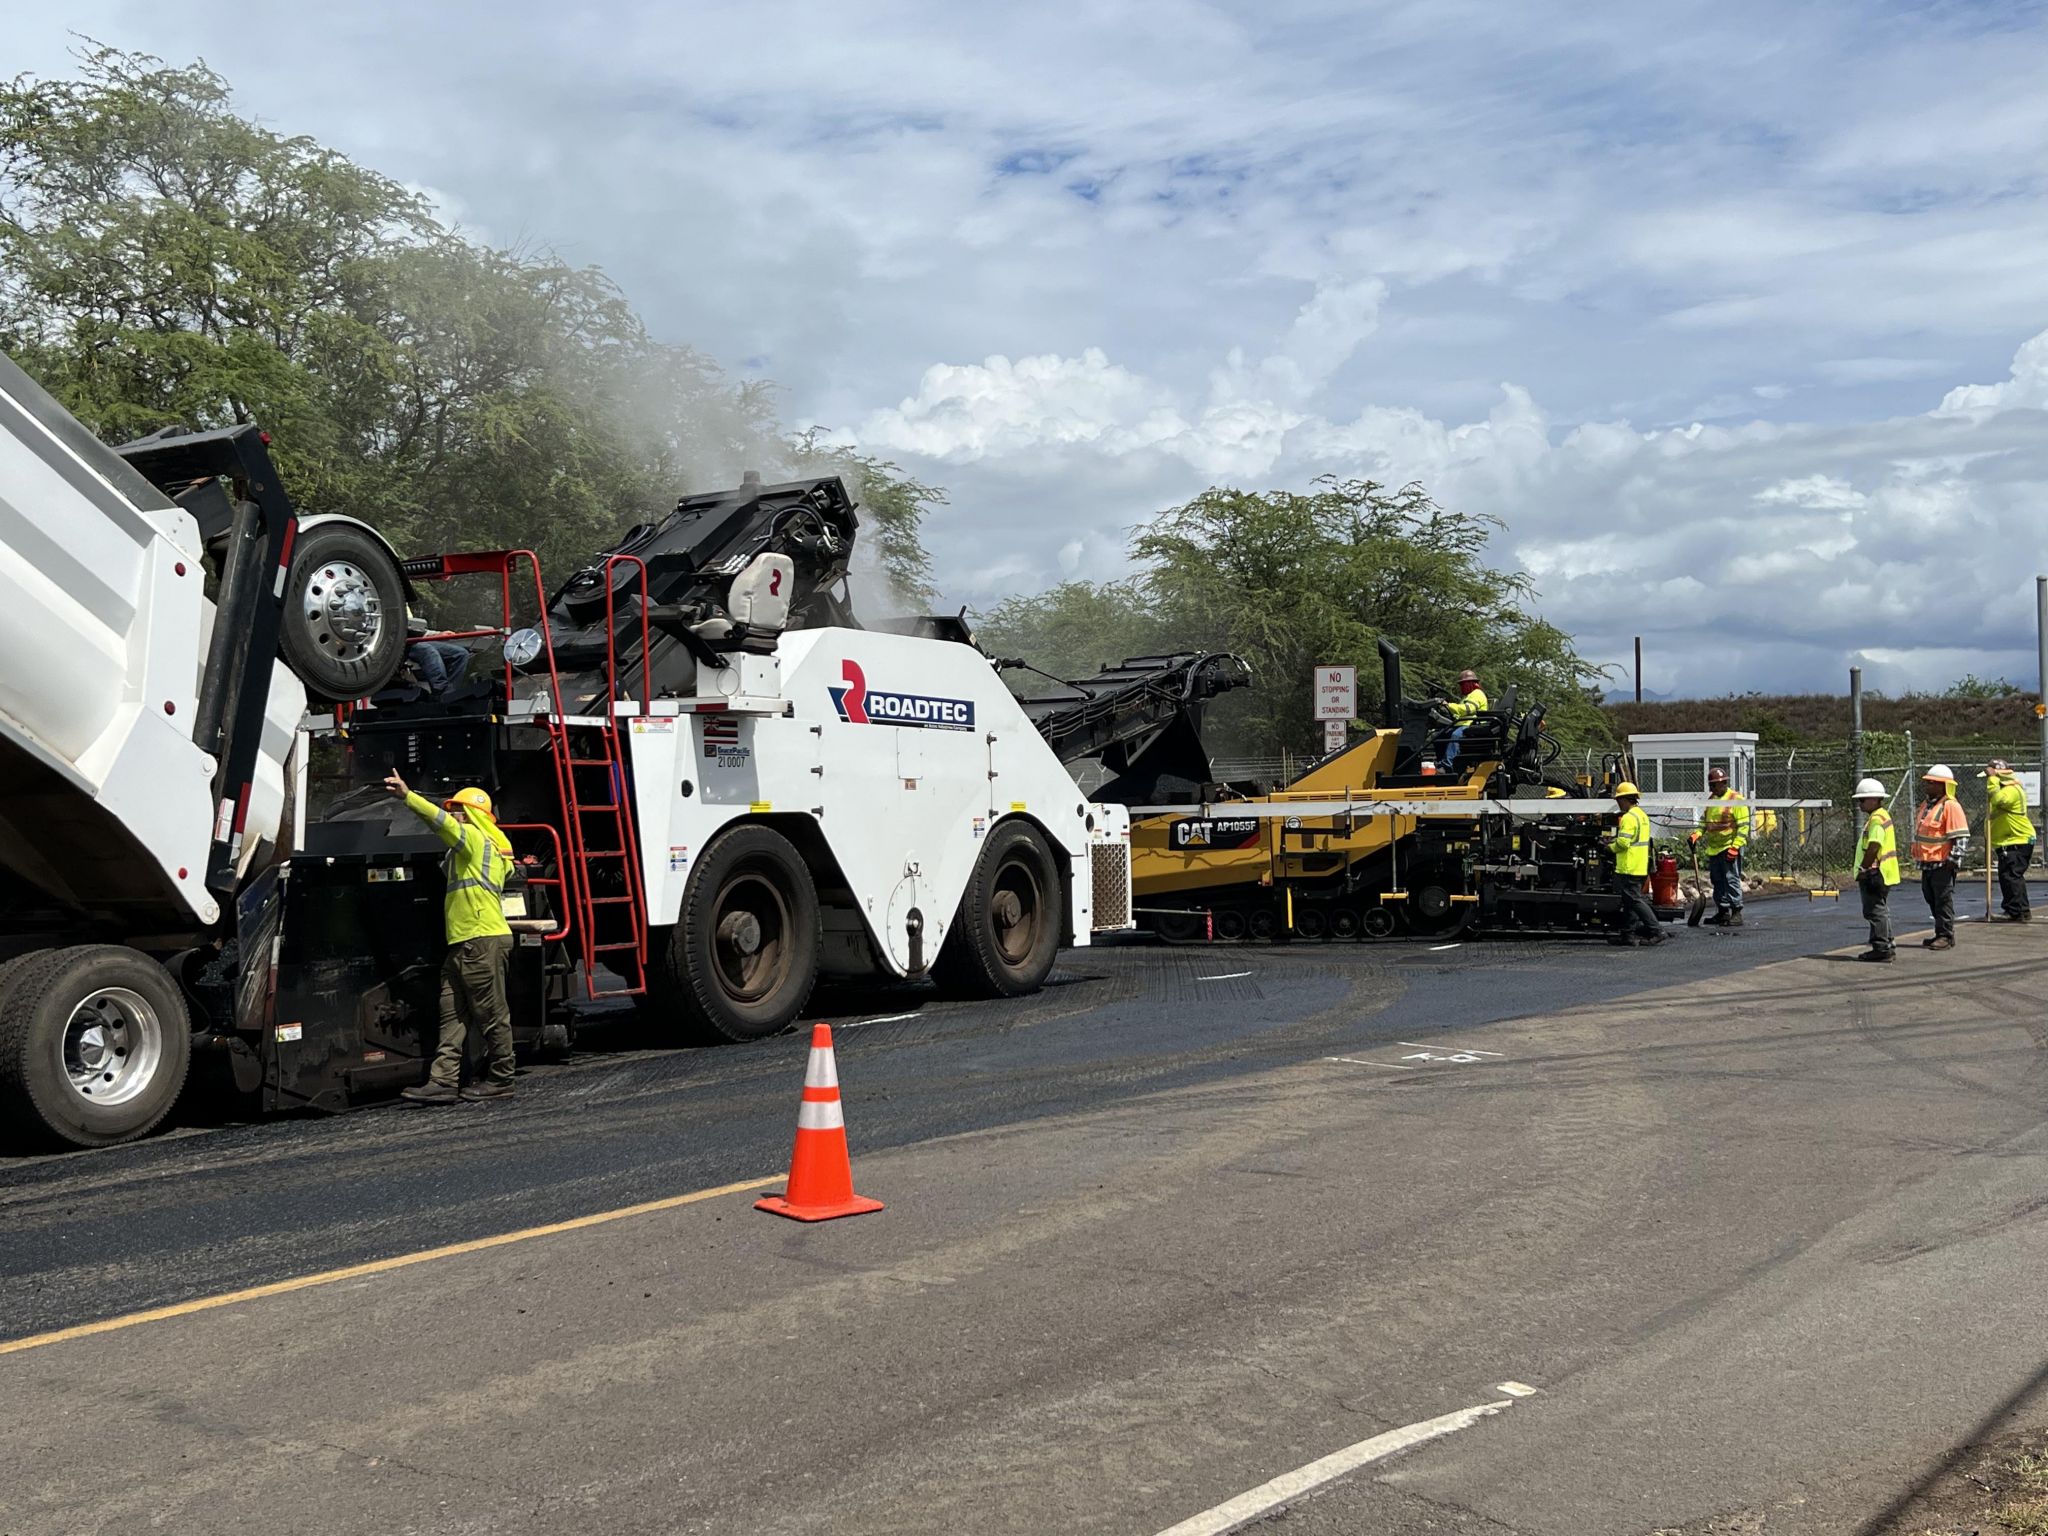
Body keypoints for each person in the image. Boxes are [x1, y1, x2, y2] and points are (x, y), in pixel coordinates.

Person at [384, 770, 518, 1103]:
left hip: (480, 942)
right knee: (453, 1015)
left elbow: (444, 824)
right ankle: (443, 1081)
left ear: (473, 815)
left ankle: (502, 1078)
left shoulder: (474, 839)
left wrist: (408, 795)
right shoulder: (477, 851)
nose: (455, 814)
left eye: (459, 809)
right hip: (465, 944)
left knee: (491, 1015)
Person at [1910, 765, 1968, 950]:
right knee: (1931, 897)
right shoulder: (1927, 806)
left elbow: (1960, 836)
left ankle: (1946, 935)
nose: (1927, 786)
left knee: (1943, 899)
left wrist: (1953, 859)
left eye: (1931, 783)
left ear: (1943, 785)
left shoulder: (1950, 806)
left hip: (1943, 863)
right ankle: (1939, 932)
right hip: (1928, 863)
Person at [1606, 780, 1667, 946]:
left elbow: (1623, 844)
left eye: (1619, 800)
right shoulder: (1642, 816)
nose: (1618, 803)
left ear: (1625, 799)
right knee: (1629, 902)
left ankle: (1656, 930)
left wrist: (1608, 847)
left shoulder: (1628, 818)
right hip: (1640, 866)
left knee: (1634, 900)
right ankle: (1628, 935)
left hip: (1629, 866)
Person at [1688, 766, 1750, 927]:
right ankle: (1723, 912)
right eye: (1711, 786)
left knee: (1731, 879)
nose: (1712, 789)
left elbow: (1744, 826)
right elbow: (1705, 821)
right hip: (1715, 848)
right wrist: (1697, 834)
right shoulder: (1712, 799)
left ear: (1722, 783)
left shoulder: (1735, 799)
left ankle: (1736, 911)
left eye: (1713, 785)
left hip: (1729, 847)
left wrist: (1735, 847)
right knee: (1717, 881)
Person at [1982, 758, 2035, 921]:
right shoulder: (2003, 789)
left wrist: (1992, 780)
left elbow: (1999, 800)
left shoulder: (2011, 790)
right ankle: (2017, 909)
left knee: (2011, 875)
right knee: (2009, 875)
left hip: (2017, 840)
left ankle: (2017, 911)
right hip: (2008, 841)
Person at [1852, 777, 1899, 963]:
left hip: (1875, 872)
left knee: (1875, 911)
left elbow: (1874, 845)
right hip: (1883, 871)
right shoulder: (1880, 816)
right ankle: (1887, 944)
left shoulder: (1877, 820)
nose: (1860, 804)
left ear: (1873, 799)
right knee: (1880, 909)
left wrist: (1864, 868)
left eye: (1862, 800)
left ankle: (1881, 947)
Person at [406, 615, 472, 698]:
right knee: (428, 650)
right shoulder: (391, 608)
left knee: (461, 654)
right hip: (401, 645)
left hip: (418, 640)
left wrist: (439, 634)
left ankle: (449, 694)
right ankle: (440, 690)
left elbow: (418, 630)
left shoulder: (405, 607)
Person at [1440, 669, 1489, 768]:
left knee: (1455, 735)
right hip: (1464, 723)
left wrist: (1449, 705)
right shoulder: (1469, 696)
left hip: (1473, 725)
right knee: (1441, 735)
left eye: (1463, 684)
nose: (1461, 687)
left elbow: (1468, 709)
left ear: (1471, 683)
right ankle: (1440, 762)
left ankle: (1447, 765)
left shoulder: (1477, 694)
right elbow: (1460, 714)